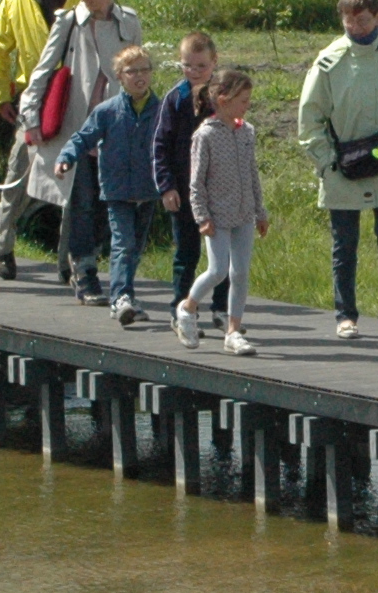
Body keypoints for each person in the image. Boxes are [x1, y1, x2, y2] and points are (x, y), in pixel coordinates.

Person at [299, 0, 378, 343]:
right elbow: (309, 121)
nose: (356, 27)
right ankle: (345, 315)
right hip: (342, 169)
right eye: (348, 20)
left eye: (363, 20)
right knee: (344, 246)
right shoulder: (327, 62)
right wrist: (326, 163)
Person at [20, 0, 143, 303]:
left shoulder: (128, 23)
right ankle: (85, 273)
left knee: (112, 203)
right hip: (79, 128)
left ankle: (97, 267)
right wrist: (31, 116)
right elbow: (43, 71)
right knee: (81, 202)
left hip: (116, 130)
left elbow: (138, 71)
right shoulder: (71, 22)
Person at [0, 0, 76, 277]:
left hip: (74, 100)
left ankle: (70, 259)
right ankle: (2, 249)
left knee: (74, 182)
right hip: (32, 99)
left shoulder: (86, 1)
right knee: (17, 176)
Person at [60, 42, 166, 324]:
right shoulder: (107, 111)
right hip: (117, 191)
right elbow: (83, 137)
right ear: (119, 76)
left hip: (148, 190)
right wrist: (66, 157)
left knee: (135, 248)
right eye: (132, 72)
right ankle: (120, 297)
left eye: (145, 70)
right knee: (123, 244)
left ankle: (127, 294)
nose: (140, 76)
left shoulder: (161, 110)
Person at [177, 66, 269, 356]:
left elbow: (252, 174)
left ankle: (233, 331)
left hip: (244, 214)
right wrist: (202, 217)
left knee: (239, 272)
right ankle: (188, 308)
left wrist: (260, 211)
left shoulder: (247, 132)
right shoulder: (205, 135)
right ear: (223, 99)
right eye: (242, 100)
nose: (247, 105)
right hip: (216, 216)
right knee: (217, 270)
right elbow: (196, 182)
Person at [150, 32, 223, 322]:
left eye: (201, 66)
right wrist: (166, 187)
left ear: (214, 62)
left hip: (220, 189)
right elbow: (160, 145)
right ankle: (181, 310)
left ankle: (223, 308)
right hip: (183, 188)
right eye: (187, 66)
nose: (194, 72)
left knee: (224, 257)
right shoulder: (175, 98)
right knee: (186, 254)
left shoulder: (223, 98)